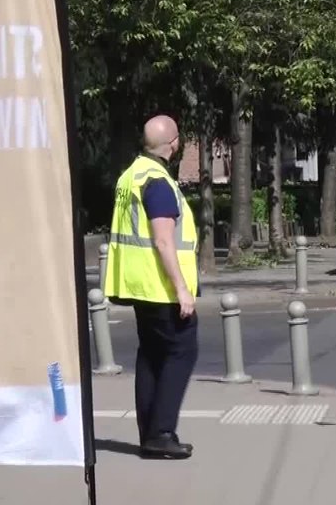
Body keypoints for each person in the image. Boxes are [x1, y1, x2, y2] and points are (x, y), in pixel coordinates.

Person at [103, 115, 198, 460]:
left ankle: (151, 434)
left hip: (137, 284)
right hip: (160, 287)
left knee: (151, 356)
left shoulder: (131, 175)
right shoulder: (157, 181)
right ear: (173, 144)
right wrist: (182, 289)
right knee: (180, 353)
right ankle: (160, 433)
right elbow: (163, 240)